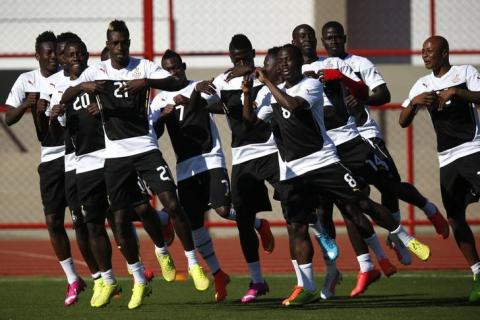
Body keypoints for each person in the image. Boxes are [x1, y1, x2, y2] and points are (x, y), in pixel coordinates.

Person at [247, 44, 431, 306]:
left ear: (300, 62)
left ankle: (403, 236)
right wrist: (248, 95)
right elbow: (254, 122)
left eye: (290, 60)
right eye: (282, 61)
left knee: (361, 202)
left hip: (323, 162)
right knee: (296, 226)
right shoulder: (271, 93)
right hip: (294, 172)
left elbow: (295, 106)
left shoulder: (310, 85)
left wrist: (267, 84)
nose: (285, 65)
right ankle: (307, 285)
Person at [60, 20, 208, 309]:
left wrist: (148, 82)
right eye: (114, 43)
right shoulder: (97, 71)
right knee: (119, 219)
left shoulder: (143, 67)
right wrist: (83, 87)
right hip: (114, 157)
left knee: (172, 204)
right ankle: (139, 280)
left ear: (129, 42)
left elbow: (177, 81)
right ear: (108, 44)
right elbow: (67, 95)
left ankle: (192, 264)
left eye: (124, 42)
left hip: (145, 149)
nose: (119, 48)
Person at [320, 20, 449, 265]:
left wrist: (363, 99)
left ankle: (428, 209)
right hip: (334, 145)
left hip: (365, 136)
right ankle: (370, 261)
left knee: (390, 185)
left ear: (344, 37)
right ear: (323, 41)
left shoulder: (360, 63)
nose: (333, 41)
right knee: (352, 202)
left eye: (337, 36)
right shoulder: (316, 68)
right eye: (328, 38)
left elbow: (384, 94)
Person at [4, 31, 87, 306]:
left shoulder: (69, 78)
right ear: (37, 55)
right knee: (53, 221)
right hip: (50, 159)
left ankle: (106, 275)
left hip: (75, 156)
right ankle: (73, 278)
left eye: (56, 52)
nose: (53, 57)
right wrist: (28, 106)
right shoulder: (26, 80)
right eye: (48, 53)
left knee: (85, 219)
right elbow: (10, 116)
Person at [196, 34, 277, 303]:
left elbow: (254, 115)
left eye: (245, 55)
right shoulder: (223, 81)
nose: (241, 60)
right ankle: (257, 280)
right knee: (242, 220)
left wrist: (247, 73)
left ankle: (309, 275)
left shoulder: (264, 76)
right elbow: (208, 102)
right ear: (230, 57)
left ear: (254, 53)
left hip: (272, 151)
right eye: (236, 57)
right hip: (243, 157)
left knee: (296, 207)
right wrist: (197, 94)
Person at [399, 35, 480, 303]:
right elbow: (402, 121)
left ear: (444, 52)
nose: (424, 55)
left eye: (429, 51)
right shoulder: (422, 84)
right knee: (455, 218)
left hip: (472, 150)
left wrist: (458, 92)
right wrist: (415, 102)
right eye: (422, 51)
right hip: (446, 158)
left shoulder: (465, 72)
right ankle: (478, 274)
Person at [150, 49, 231, 302]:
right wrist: (163, 118)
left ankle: (258, 224)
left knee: (222, 210)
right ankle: (218, 273)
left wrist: (196, 99)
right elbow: (155, 133)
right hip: (185, 168)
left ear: (183, 66)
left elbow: (222, 105)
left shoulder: (200, 86)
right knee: (195, 227)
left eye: (177, 67)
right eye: (168, 70)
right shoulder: (159, 100)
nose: (173, 72)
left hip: (210, 158)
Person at [50, 39, 120, 308]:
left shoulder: (101, 77)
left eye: (81, 53)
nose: (76, 57)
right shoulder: (60, 88)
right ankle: (102, 279)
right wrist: (55, 115)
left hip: (113, 155)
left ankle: (161, 223)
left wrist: (102, 108)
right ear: (63, 59)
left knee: (128, 210)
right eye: (71, 55)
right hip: (79, 163)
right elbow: (59, 132)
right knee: (85, 222)